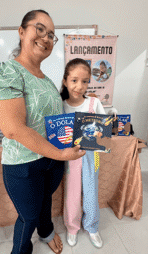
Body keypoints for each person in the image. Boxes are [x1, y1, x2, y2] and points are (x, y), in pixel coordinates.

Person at [0, 11, 79, 253]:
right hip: (23, 165)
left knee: (45, 201)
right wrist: (61, 155)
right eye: (39, 29)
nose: (46, 38)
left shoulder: (47, 81)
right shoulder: (6, 71)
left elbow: (54, 124)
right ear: (21, 31)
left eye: (51, 35)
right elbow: (13, 129)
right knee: (28, 217)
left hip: (51, 161)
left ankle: (46, 232)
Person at [59, 59, 104, 248]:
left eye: (85, 81)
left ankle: (92, 226)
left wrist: (98, 133)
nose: (79, 86)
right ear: (65, 81)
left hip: (90, 155)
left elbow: (102, 130)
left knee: (91, 191)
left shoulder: (94, 103)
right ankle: (72, 227)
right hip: (70, 156)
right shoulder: (60, 105)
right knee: (72, 192)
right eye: (74, 80)